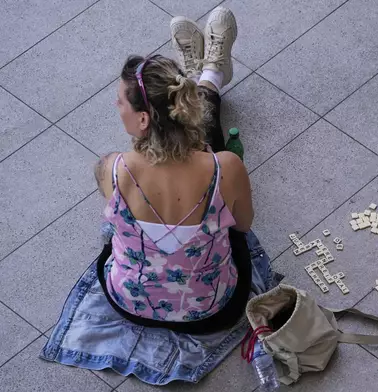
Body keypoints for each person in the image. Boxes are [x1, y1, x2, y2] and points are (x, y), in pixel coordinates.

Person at [41, 7, 281, 385]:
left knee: (115, 238)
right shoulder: (226, 167)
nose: (114, 106)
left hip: (130, 306)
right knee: (229, 219)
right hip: (214, 311)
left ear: (142, 120)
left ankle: (209, 76)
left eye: (120, 101)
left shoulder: (111, 169)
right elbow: (245, 226)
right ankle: (209, 78)